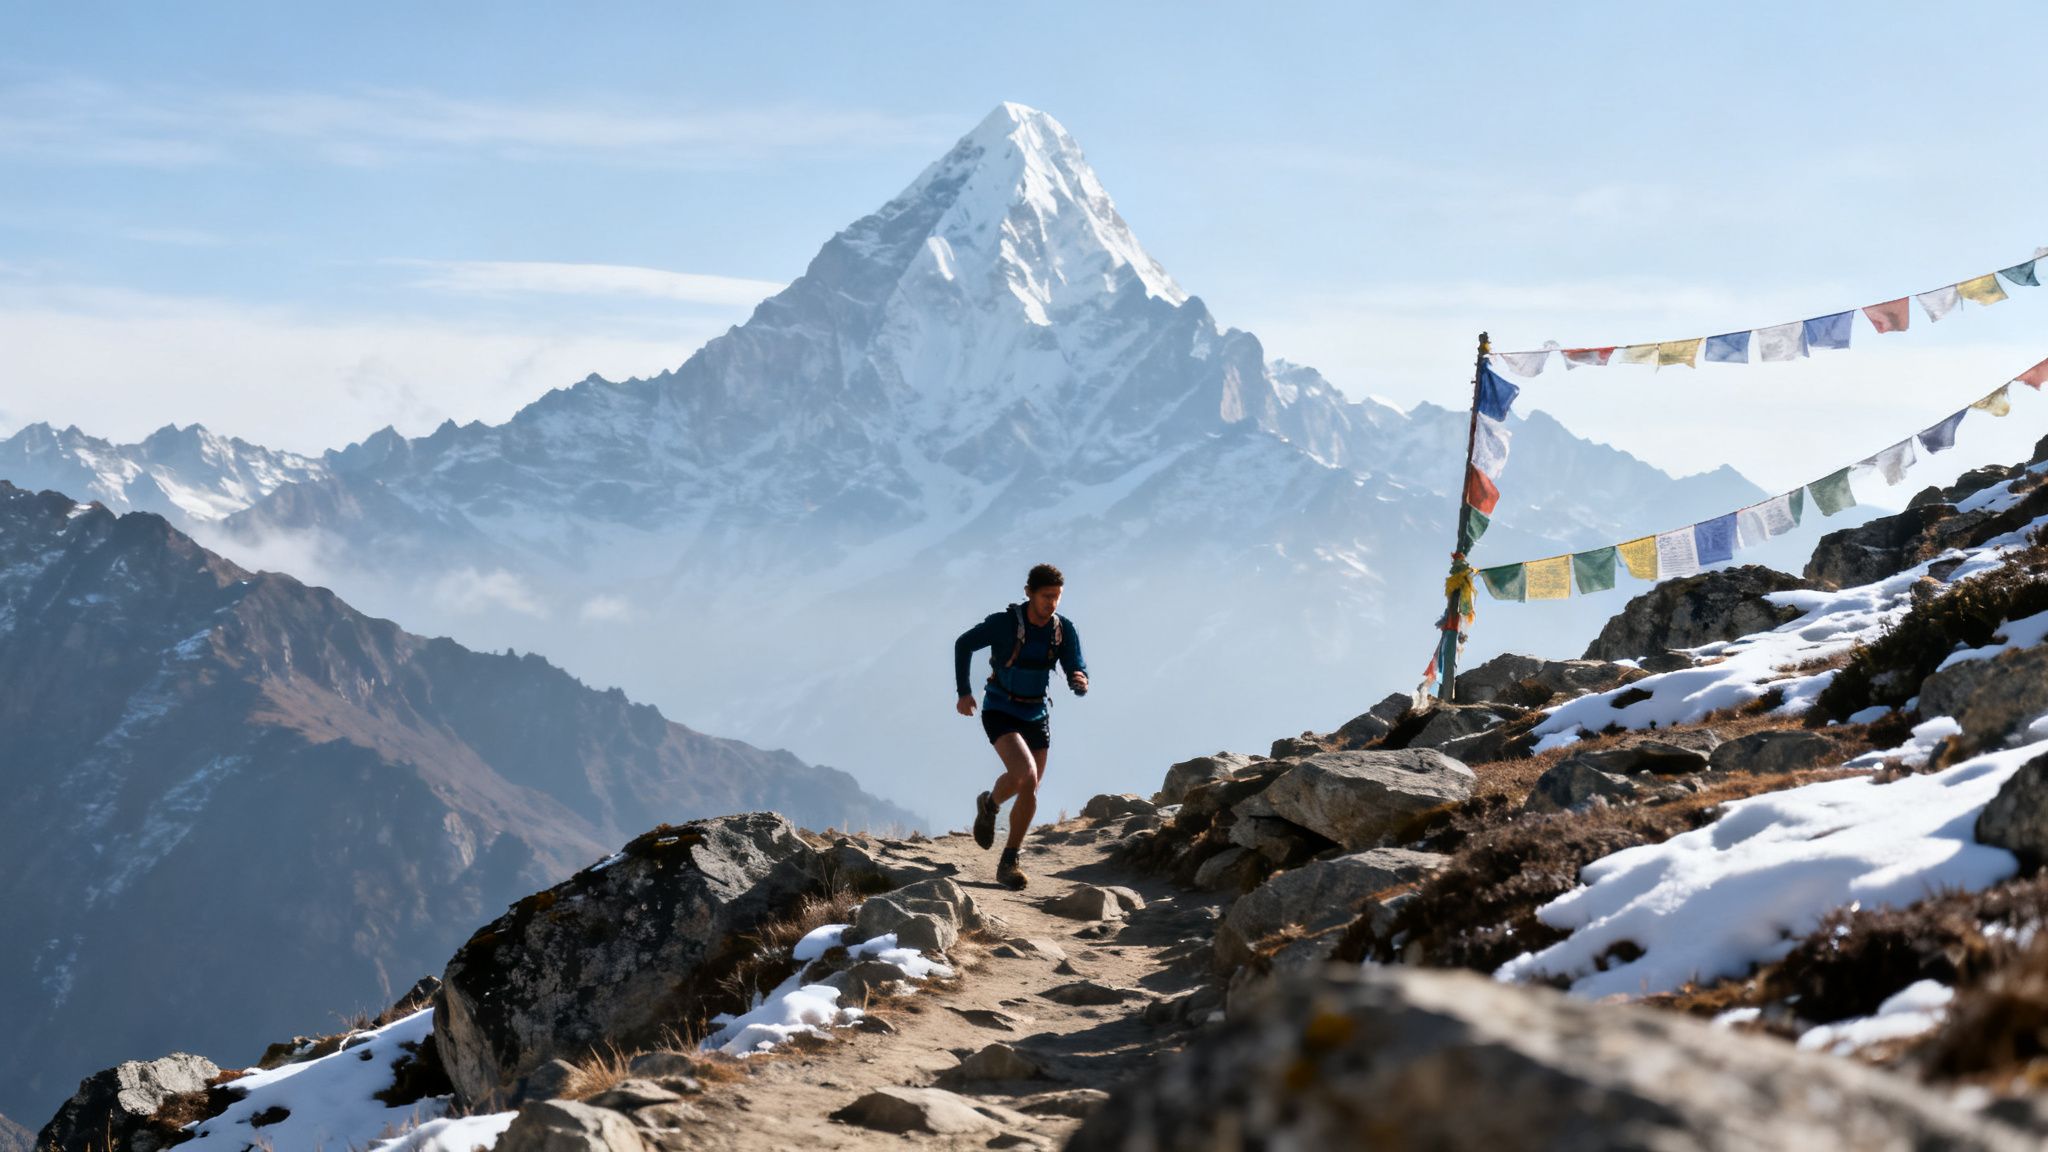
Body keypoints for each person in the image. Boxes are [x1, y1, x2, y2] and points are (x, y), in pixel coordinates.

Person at [954, 563, 1089, 889]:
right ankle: (1009, 862)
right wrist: (964, 692)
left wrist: (1078, 677)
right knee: (1025, 774)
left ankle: (989, 806)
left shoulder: (1062, 629)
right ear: (1029, 592)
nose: (1052, 603)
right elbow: (963, 644)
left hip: (1036, 713)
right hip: (1000, 708)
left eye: (1057, 596)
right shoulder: (1003, 624)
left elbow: (1075, 662)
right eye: (1046, 596)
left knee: (1028, 784)